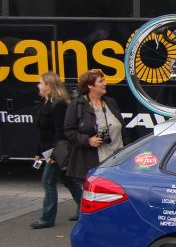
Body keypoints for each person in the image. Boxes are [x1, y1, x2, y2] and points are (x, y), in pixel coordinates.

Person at [30, 72, 83, 229]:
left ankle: (47, 219)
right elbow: (41, 131)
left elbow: (60, 132)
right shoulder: (44, 102)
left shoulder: (59, 105)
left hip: (57, 151)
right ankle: (85, 210)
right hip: (46, 150)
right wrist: (38, 153)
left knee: (48, 181)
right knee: (68, 180)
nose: (38, 86)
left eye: (40, 83)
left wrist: (55, 154)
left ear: (49, 85)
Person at [63, 69, 127, 185]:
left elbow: (122, 128)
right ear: (90, 86)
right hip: (94, 162)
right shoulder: (77, 105)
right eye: (101, 81)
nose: (105, 83)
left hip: (117, 160)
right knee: (96, 199)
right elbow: (69, 131)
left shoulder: (110, 102)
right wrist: (87, 140)